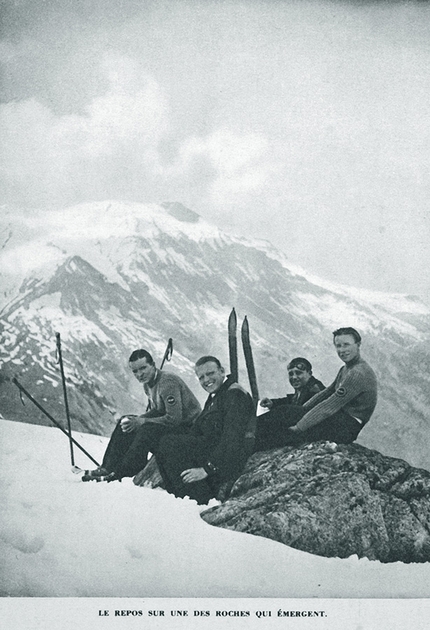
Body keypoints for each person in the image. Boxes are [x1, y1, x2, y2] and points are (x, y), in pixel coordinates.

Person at [82, 349, 201, 481]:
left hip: (190, 430)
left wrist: (142, 422)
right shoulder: (148, 384)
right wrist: (137, 420)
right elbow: (158, 410)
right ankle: (107, 467)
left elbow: (174, 419)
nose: (140, 374)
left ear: (153, 365)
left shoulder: (167, 383)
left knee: (146, 430)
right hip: (175, 426)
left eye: (143, 368)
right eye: (135, 371)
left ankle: (122, 472)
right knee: (126, 422)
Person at [255, 327, 377, 451]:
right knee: (286, 412)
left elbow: (330, 404)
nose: (342, 350)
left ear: (358, 344)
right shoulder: (347, 369)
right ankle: (251, 432)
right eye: (338, 346)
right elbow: (328, 392)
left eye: (346, 345)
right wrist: (301, 410)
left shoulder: (358, 373)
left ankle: (249, 438)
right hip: (341, 422)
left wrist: (299, 426)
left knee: (286, 429)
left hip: (346, 427)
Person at [156, 356, 255, 504]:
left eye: (210, 374)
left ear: (222, 371)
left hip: (230, 457)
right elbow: (198, 428)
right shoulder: (217, 394)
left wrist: (206, 469)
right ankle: (177, 495)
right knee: (165, 441)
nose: (206, 380)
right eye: (201, 377)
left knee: (169, 443)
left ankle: (198, 500)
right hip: (214, 448)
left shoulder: (234, 394)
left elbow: (232, 439)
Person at [254, 357, 325, 451]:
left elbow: (299, 411)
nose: (294, 377)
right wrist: (273, 403)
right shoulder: (305, 387)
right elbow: (292, 399)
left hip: (310, 431)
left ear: (309, 373)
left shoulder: (315, 390)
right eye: (291, 374)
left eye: (299, 373)